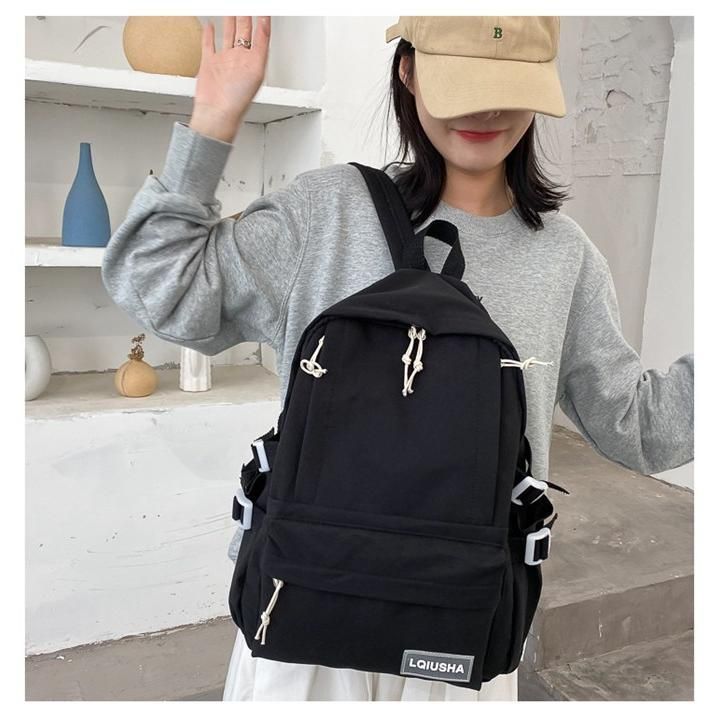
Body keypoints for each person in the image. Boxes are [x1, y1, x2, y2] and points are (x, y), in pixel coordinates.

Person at [100, 16, 694, 701]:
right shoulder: (326, 213)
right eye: (462, 83)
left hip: (461, 624)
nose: (485, 110)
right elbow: (159, 291)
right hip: (306, 619)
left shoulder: (565, 257)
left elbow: (637, 425)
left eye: (506, 85)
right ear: (408, 72)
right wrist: (214, 118)